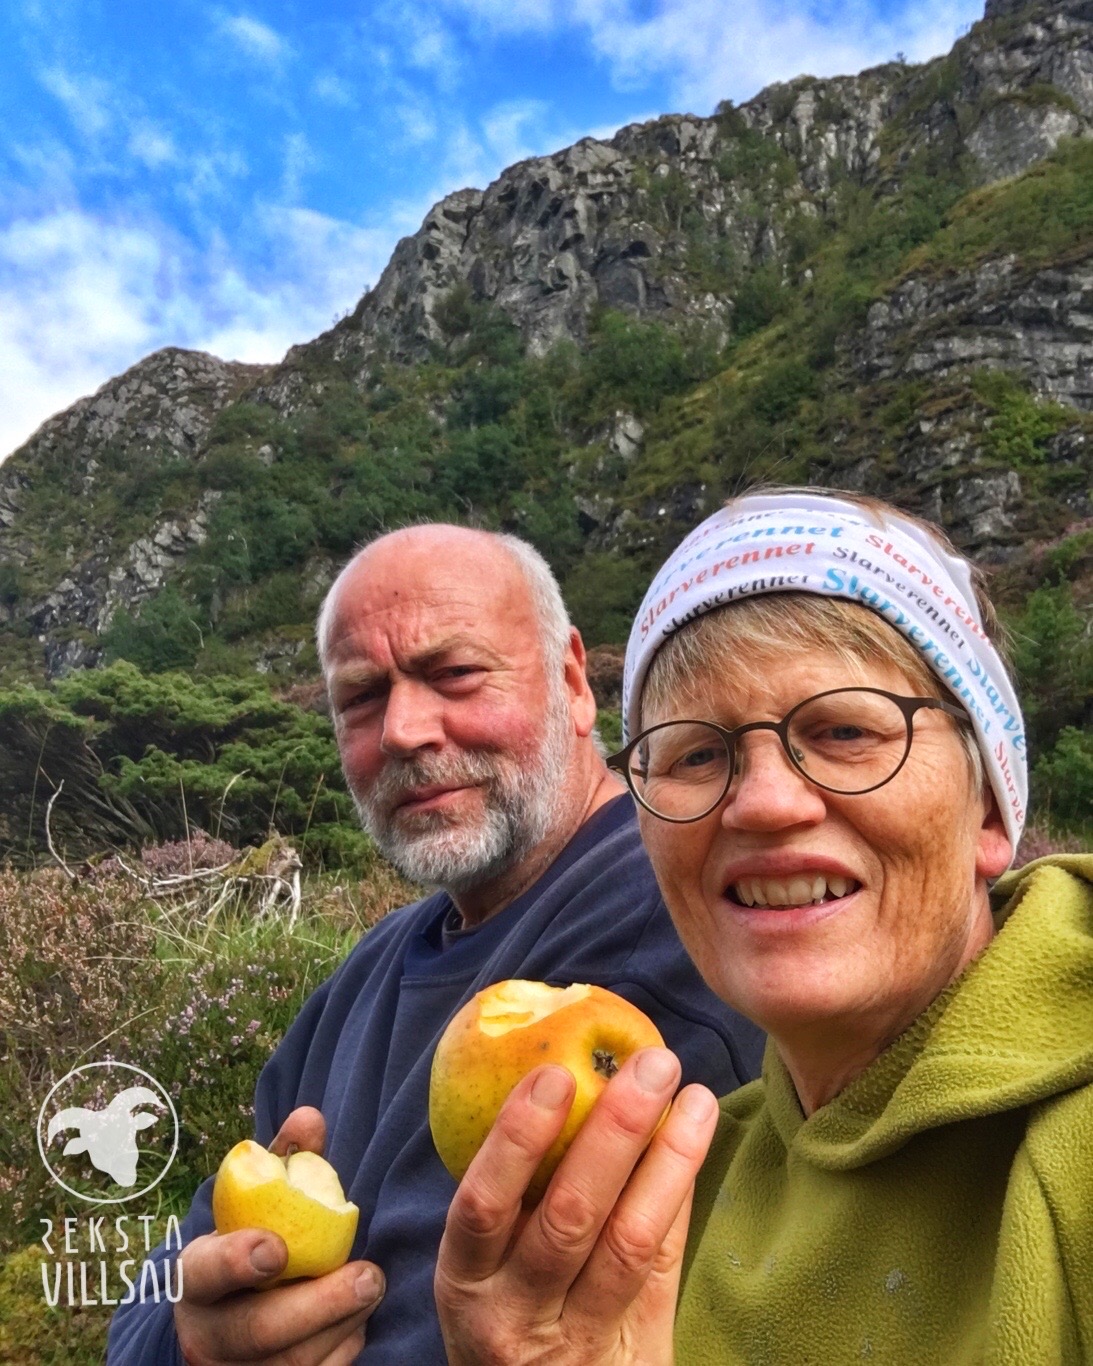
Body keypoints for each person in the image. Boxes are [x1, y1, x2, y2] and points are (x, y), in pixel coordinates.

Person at [433, 489, 1093, 1365]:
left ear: (988, 811)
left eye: (846, 729)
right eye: (695, 754)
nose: (766, 803)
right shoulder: (661, 1193)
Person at [106, 523, 764, 1365]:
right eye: (361, 699)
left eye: (453, 674)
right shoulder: (367, 973)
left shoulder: (684, 922)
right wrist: (190, 1341)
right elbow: (178, 1261)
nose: (405, 731)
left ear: (572, 681)